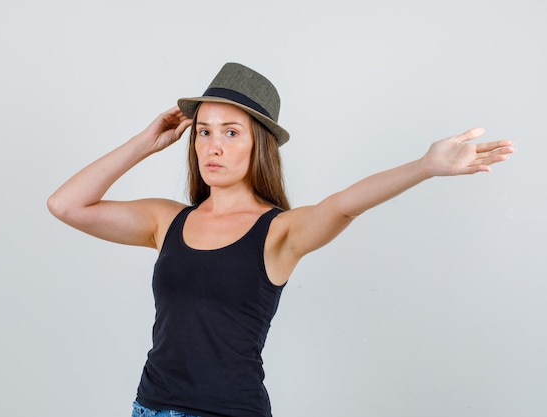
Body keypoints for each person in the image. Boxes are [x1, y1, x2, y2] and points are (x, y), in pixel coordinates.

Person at [47, 62, 515, 417]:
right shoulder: (165, 221)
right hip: (150, 406)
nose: (213, 145)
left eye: (231, 132)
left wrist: (425, 166)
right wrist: (143, 142)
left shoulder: (279, 233)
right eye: (204, 132)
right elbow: (66, 205)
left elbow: (342, 204)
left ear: (259, 144)